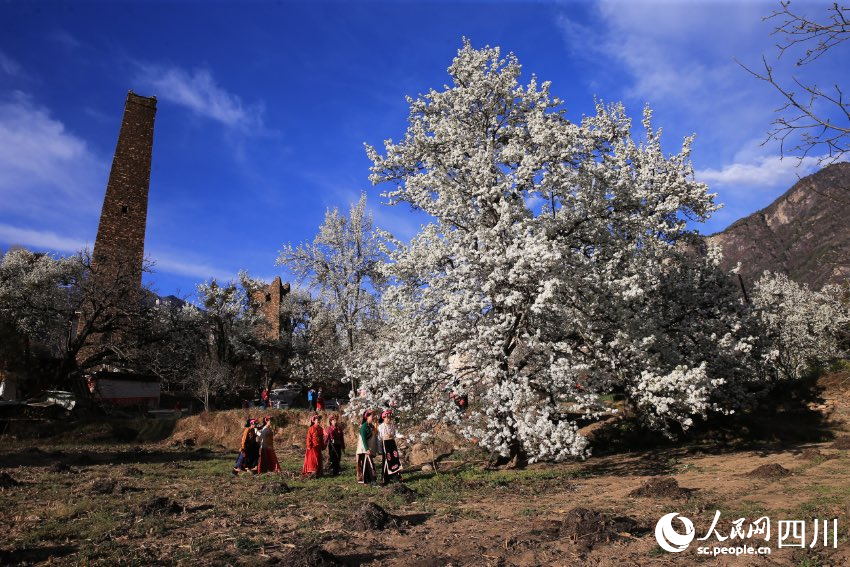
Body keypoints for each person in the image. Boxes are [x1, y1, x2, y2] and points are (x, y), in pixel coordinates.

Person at [378, 410, 403, 484]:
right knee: (386, 460)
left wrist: (401, 436)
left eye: (390, 417)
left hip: (392, 443)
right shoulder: (381, 427)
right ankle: (385, 478)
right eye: (387, 417)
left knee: (395, 459)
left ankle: (395, 477)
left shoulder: (392, 425)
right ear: (383, 418)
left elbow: (396, 434)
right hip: (385, 444)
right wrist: (379, 448)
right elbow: (379, 438)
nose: (388, 419)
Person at [356, 410, 378, 484]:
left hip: (369, 448)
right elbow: (364, 439)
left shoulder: (371, 426)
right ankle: (369, 480)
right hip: (364, 449)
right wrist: (367, 449)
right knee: (367, 464)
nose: (373, 418)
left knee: (369, 464)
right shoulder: (364, 427)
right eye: (372, 416)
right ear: (367, 417)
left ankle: (370, 480)